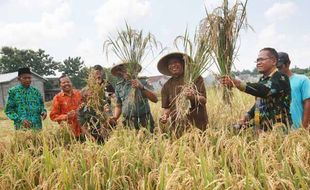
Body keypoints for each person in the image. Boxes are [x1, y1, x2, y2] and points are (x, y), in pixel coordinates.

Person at [219, 47, 292, 131]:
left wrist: (237, 83)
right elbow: (259, 103)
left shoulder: (281, 78)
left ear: (274, 61)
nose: (258, 63)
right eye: (257, 60)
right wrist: (247, 116)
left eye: (261, 60)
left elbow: (264, 91)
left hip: (278, 130)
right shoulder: (262, 79)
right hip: (261, 131)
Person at [157, 52, 208, 137]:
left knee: (200, 148)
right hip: (178, 126)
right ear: (168, 67)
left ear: (183, 64)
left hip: (197, 125)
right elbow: (167, 108)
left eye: (176, 62)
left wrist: (193, 97)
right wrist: (165, 116)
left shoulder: (195, 78)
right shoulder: (166, 86)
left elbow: (204, 100)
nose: (173, 65)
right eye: (170, 64)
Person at [111, 62, 158, 133]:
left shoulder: (143, 81)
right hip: (128, 122)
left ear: (134, 70)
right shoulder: (119, 86)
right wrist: (115, 117)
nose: (126, 72)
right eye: (123, 70)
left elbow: (155, 99)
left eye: (128, 69)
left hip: (144, 120)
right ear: (120, 72)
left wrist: (141, 87)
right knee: (130, 143)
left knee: (149, 141)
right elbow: (119, 105)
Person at [277, 52, 310, 129]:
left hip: (298, 128)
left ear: (288, 64)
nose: (277, 70)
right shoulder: (274, 83)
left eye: (279, 67)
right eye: (275, 68)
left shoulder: (302, 80)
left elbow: (308, 103)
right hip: (279, 130)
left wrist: (304, 127)